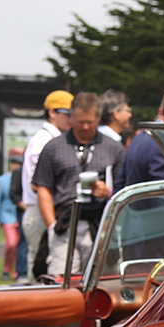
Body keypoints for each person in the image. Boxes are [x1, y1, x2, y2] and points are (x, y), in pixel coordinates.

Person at [33, 92, 122, 277]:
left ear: (99, 118)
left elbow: (123, 188)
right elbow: (43, 188)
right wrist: (51, 225)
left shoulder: (113, 148)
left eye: (90, 121)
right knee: (60, 279)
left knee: (100, 279)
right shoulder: (54, 147)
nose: (85, 126)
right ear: (71, 117)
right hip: (64, 223)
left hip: (99, 225)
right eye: (81, 121)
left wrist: (107, 192)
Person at [20, 89, 73, 281]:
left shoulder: (52, 139)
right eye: (67, 114)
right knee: (40, 267)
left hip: (47, 210)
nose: (71, 119)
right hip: (40, 210)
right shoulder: (44, 141)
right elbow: (39, 183)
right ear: (52, 112)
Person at [0, 156, 22, 282]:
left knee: (21, 246)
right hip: (7, 216)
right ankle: (6, 269)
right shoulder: (2, 181)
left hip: (20, 216)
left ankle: (18, 271)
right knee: (11, 244)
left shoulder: (24, 179)